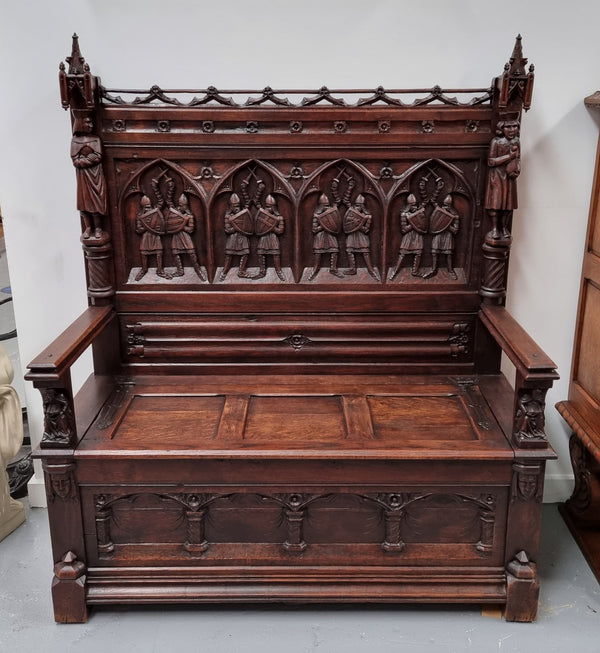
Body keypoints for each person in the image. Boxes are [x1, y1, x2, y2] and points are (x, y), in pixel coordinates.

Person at [70, 112, 107, 241]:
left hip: (95, 175)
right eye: (87, 122)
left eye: (91, 122)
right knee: (84, 204)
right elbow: (75, 160)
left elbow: (98, 156)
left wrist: (84, 160)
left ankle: (97, 228)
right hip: (83, 177)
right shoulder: (75, 141)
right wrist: (86, 160)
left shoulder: (95, 139)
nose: (90, 125)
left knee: (95, 203)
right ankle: (88, 228)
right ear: (80, 124)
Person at [484, 119, 520, 239]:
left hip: (509, 176)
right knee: (495, 204)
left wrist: (517, 169)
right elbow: (491, 161)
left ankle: (504, 227)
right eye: (508, 127)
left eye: (514, 126)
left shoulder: (516, 141)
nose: (512, 130)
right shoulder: (496, 141)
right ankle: (495, 228)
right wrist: (508, 156)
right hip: (497, 176)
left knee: (508, 206)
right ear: (501, 128)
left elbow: (518, 159)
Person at [167, 193, 206, 280]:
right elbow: (169, 203)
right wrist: (171, 188)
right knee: (175, 253)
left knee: (192, 253)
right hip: (176, 235)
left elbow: (190, 229)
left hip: (185, 236)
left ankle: (198, 270)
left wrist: (181, 225)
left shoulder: (189, 216)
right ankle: (180, 270)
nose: (182, 207)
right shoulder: (175, 213)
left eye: (184, 205)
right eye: (180, 205)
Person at [389, 194, 426, 279]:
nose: (415, 207)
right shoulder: (404, 214)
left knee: (418, 253)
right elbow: (404, 229)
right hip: (408, 236)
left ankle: (415, 271)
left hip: (417, 235)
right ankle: (395, 271)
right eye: (412, 205)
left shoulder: (419, 213)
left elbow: (423, 225)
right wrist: (413, 222)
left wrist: (418, 218)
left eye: (415, 204)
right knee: (403, 253)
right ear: (409, 205)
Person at [424, 194, 460, 279]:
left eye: (447, 205)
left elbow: (455, 230)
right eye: (444, 205)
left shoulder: (455, 216)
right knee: (434, 252)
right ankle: (433, 269)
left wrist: (447, 224)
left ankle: (450, 270)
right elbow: (434, 223)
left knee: (448, 254)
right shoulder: (439, 212)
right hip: (438, 233)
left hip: (448, 235)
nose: (445, 207)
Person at [343, 195, 379, 280]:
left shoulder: (367, 216)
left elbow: (366, 230)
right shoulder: (352, 213)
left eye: (359, 205)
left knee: (365, 251)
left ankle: (370, 269)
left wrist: (358, 224)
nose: (357, 207)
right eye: (356, 205)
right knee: (349, 250)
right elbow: (346, 224)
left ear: (363, 206)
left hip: (361, 235)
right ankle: (352, 268)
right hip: (352, 233)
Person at [308, 193, 343, 281]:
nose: (327, 207)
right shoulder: (316, 215)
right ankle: (315, 269)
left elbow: (335, 221)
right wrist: (323, 225)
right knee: (318, 253)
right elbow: (314, 229)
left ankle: (333, 269)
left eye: (327, 205)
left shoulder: (331, 212)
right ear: (320, 206)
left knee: (334, 250)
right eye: (325, 205)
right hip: (320, 235)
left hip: (330, 234)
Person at [135, 195, 170, 281]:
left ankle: (160, 271)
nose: (148, 208)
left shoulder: (154, 212)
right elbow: (138, 230)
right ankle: (144, 270)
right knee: (143, 253)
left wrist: (155, 188)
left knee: (159, 253)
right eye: (146, 207)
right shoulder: (140, 216)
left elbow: (161, 202)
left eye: (149, 206)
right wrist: (147, 226)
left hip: (155, 235)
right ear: (143, 207)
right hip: (146, 236)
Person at [221, 193, 252, 280]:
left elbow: (248, 225)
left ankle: (241, 271)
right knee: (229, 255)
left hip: (242, 236)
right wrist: (237, 226)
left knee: (245, 253)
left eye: (237, 205)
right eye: (234, 206)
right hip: (233, 237)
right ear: (231, 206)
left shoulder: (243, 214)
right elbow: (227, 229)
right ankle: (224, 271)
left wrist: (241, 227)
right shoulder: (228, 216)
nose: (236, 208)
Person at [254, 195, 285, 281]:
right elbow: (258, 228)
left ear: (273, 207)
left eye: (269, 207)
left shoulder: (279, 218)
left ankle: (278, 271)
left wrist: (272, 226)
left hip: (273, 237)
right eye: (266, 206)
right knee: (261, 253)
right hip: (264, 236)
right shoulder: (263, 215)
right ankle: (262, 271)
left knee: (275, 254)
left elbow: (280, 231)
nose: (268, 209)